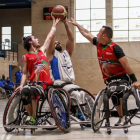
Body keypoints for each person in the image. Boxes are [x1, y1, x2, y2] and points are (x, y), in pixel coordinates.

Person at [70, 18, 140, 126]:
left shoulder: (115, 48)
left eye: (99, 33)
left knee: (119, 93)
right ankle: (122, 117)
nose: (96, 34)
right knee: (113, 95)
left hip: (122, 77)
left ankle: (124, 116)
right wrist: (76, 24)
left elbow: (126, 65)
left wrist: (135, 81)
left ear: (104, 36)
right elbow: (86, 33)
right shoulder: (98, 44)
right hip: (109, 79)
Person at [16, 17, 60, 125]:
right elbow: (25, 73)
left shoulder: (42, 51)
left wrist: (55, 23)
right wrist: (21, 85)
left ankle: (32, 118)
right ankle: (32, 118)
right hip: (33, 83)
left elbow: (49, 37)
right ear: (30, 42)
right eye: (35, 38)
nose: (38, 39)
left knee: (32, 91)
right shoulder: (26, 57)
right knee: (24, 92)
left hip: (45, 83)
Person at [48, 17, 86, 118]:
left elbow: (71, 38)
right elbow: (51, 38)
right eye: (55, 43)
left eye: (58, 42)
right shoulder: (52, 54)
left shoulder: (67, 53)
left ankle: (78, 111)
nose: (57, 43)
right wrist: (54, 24)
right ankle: (78, 113)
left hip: (70, 83)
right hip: (59, 83)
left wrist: (65, 23)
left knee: (82, 93)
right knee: (77, 95)